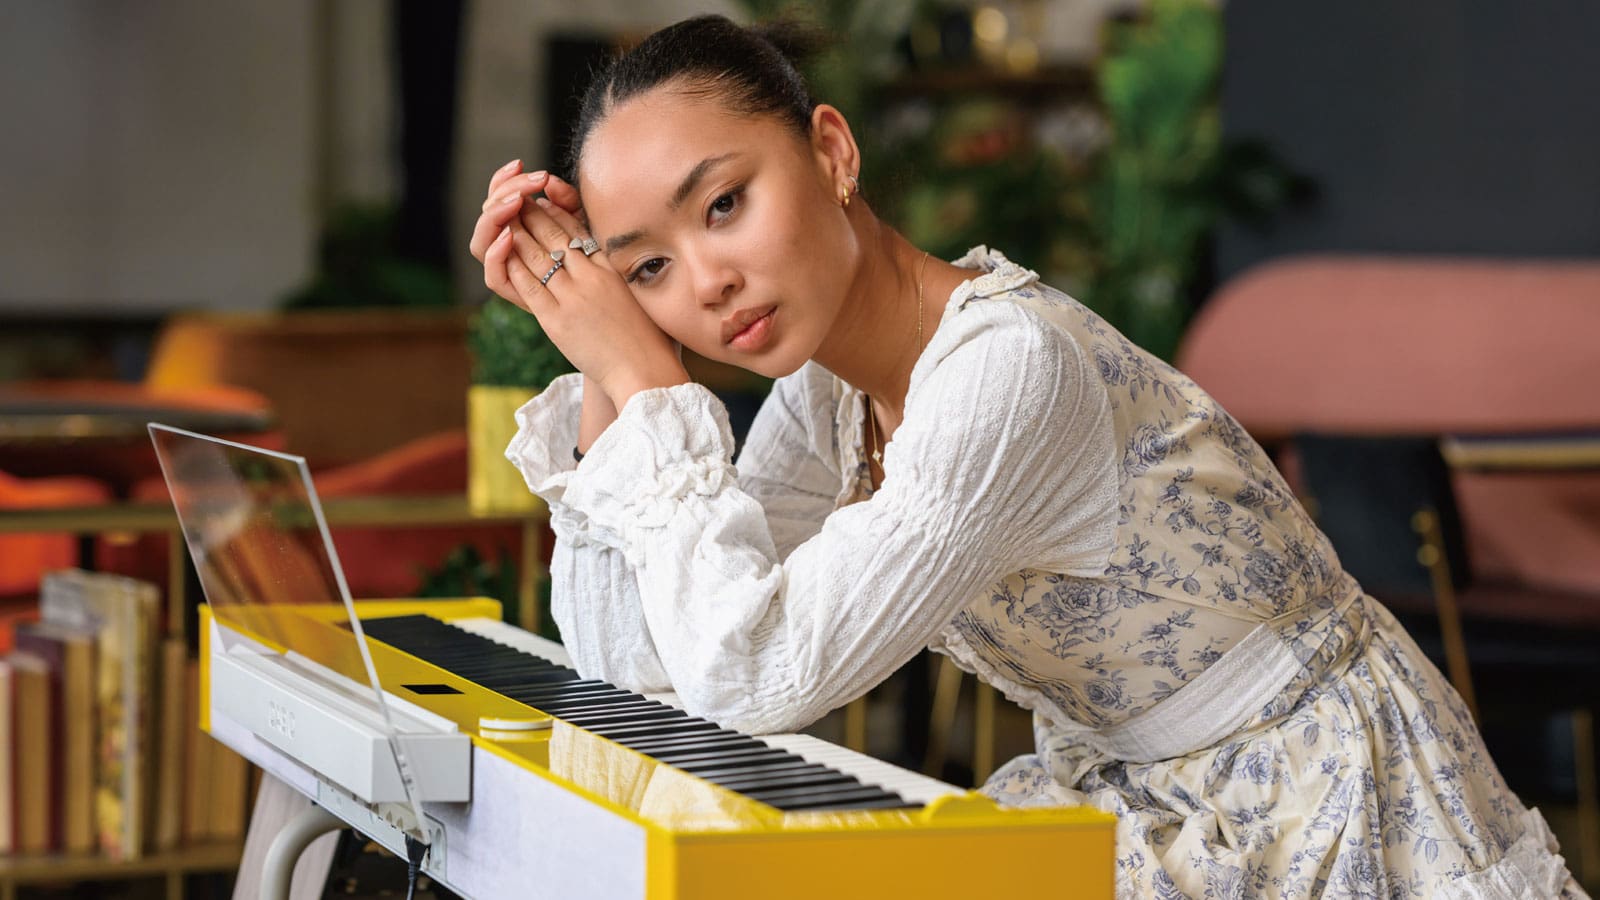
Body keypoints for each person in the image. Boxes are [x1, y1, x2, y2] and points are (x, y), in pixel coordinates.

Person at [467, 15, 1587, 899]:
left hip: (1314, 796)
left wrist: (652, 386)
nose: (707, 282)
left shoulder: (1010, 370)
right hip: (1138, 799)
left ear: (832, 152)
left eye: (724, 204)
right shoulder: (828, 389)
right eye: (648, 270)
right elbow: (647, 674)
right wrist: (613, 373)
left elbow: (758, 677)